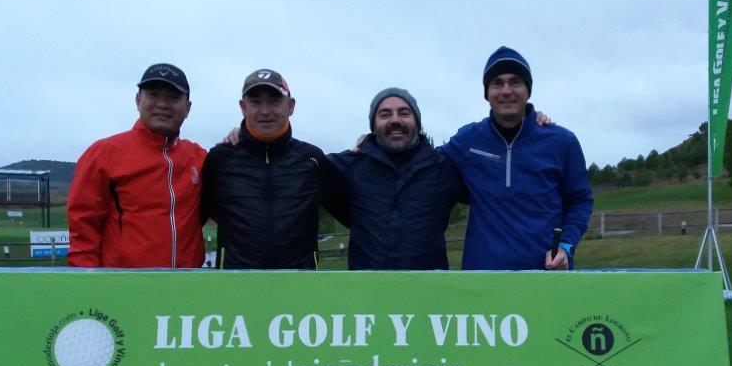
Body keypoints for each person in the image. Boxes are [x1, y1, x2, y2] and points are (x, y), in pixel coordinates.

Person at [440, 46, 593, 270]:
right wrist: (371, 142)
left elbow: (581, 201)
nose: (506, 90)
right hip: (482, 282)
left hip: (547, 277)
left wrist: (566, 247)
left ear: (528, 90)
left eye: (515, 82)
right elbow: (420, 161)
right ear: (487, 94)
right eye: (497, 83)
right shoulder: (467, 141)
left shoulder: (562, 141)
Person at [201, 69, 345, 269]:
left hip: (300, 286)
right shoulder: (220, 158)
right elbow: (196, 218)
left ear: (291, 106)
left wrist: (369, 144)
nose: (265, 110)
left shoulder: (312, 159)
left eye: (274, 100)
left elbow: (352, 215)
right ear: (243, 107)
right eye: (255, 101)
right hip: (234, 287)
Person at [68, 63, 206, 268]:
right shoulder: (104, 153)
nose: (162, 104)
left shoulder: (199, 157)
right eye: (153, 95)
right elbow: (83, 227)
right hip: (124, 286)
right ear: (138, 100)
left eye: (173, 97)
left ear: (188, 108)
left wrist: (239, 137)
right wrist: (88, 282)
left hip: (186, 286)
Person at [327, 88, 466, 270]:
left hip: (430, 292)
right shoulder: (347, 166)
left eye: (404, 113)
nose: (395, 120)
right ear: (373, 126)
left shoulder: (444, 169)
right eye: (384, 114)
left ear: (416, 122)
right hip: (366, 293)